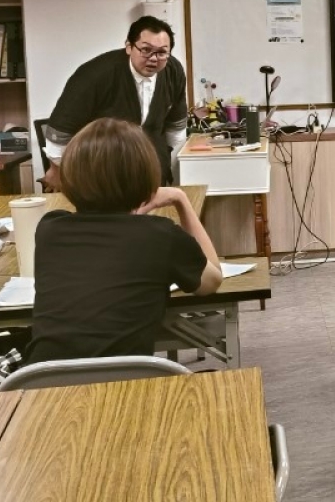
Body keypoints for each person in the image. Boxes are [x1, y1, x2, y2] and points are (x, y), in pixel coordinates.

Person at [24, 118, 221, 363]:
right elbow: (212, 281)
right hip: (126, 382)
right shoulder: (161, 235)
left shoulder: (49, 229)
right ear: (145, 175)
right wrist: (181, 200)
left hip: (42, 380)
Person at [43, 15, 189, 191]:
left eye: (162, 52)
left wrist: (171, 163)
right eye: (146, 50)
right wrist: (58, 171)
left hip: (152, 167)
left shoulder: (173, 71)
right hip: (102, 168)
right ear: (129, 47)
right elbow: (61, 130)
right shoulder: (95, 75)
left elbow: (176, 128)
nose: (153, 58)